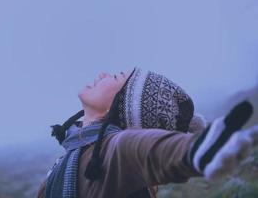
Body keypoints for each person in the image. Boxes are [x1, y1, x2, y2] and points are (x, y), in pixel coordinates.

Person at [37, 67, 258, 198]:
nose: (103, 73)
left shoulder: (117, 149)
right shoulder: (69, 157)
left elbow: (151, 149)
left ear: (118, 107)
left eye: (115, 77)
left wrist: (198, 148)